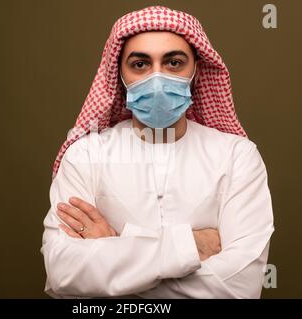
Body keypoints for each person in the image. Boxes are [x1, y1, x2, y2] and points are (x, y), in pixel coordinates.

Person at [40, 5, 274, 299]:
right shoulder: (85, 155)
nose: (157, 78)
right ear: (120, 77)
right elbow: (64, 273)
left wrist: (117, 249)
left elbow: (240, 287)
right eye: (140, 65)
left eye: (174, 63)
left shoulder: (238, 156)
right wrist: (190, 246)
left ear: (196, 71)